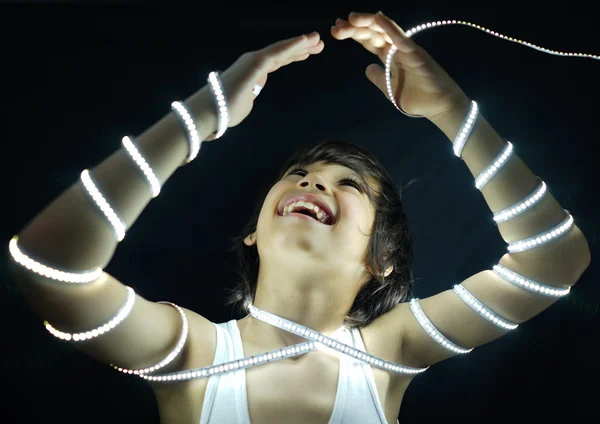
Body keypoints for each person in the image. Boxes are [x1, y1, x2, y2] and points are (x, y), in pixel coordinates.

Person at [7, 10, 591, 424]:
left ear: (382, 259)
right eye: (299, 175)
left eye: (349, 184)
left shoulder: (392, 352)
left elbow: (555, 261)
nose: (312, 180)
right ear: (254, 233)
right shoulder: (190, 351)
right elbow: (49, 268)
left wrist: (452, 111)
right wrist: (202, 115)